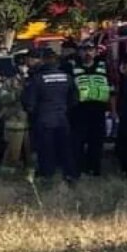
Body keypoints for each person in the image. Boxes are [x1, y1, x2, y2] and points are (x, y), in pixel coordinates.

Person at [23, 47, 79, 185]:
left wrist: (34, 112)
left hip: (43, 120)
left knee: (46, 150)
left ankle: (47, 176)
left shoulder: (37, 79)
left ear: (43, 62)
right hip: (62, 119)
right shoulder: (67, 77)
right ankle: (70, 176)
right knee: (65, 149)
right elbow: (75, 100)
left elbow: (29, 103)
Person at [69, 42, 112, 177]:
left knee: (97, 142)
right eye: (85, 50)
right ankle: (79, 169)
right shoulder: (73, 68)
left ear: (95, 52)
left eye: (91, 50)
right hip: (79, 110)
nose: (88, 53)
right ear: (79, 52)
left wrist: (113, 111)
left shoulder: (104, 67)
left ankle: (94, 169)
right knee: (78, 142)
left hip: (98, 110)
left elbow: (112, 89)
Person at [0, 49, 31, 175]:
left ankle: (30, 173)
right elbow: (3, 98)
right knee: (13, 150)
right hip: (14, 121)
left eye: (25, 64)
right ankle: (7, 174)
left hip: (30, 121)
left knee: (31, 151)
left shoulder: (33, 79)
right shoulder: (9, 81)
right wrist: (18, 93)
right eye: (21, 64)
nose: (24, 67)